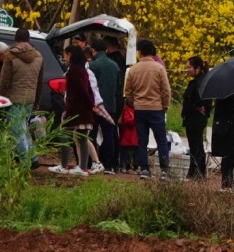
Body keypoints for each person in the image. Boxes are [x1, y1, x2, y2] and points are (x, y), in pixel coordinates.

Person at [125, 38, 173, 179]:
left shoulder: (134, 69)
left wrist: (134, 103)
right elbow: (166, 90)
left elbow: (128, 92)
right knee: (161, 140)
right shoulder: (159, 68)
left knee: (142, 140)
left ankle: (144, 169)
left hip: (139, 109)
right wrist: (165, 105)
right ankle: (164, 170)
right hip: (156, 108)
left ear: (140, 52)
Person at [52, 45, 102, 175]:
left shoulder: (73, 71)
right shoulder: (83, 70)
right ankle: (83, 167)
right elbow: (88, 90)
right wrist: (92, 104)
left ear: (70, 54)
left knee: (64, 134)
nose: (64, 58)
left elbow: (81, 90)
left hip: (76, 109)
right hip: (84, 109)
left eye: (65, 55)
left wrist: (90, 104)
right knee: (81, 138)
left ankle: (64, 165)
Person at [0, 27, 42, 154]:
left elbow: (4, 81)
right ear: (29, 39)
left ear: (15, 39)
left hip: (15, 99)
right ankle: (32, 158)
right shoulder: (38, 56)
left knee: (17, 131)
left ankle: (25, 160)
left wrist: (0, 100)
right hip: (30, 99)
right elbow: (39, 81)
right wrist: (36, 101)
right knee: (24, 128)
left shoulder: (10, 56)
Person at [90, 38, 123, 173]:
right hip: (110, 105)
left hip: (95, 106)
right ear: (106, 49)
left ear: (94, 50)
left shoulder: (92, 65)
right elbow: (118, 87)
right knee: (109, 134)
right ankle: (109, 165)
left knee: (91, 134)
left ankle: (91, 162)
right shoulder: (115, 66)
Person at [181, 56, 211, 180]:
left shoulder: (201, 82)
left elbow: (199, 100)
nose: (187, 70)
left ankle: (197, 172)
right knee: (194, 146)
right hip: (191, 117)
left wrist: (197, 107)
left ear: (197, 68)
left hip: (196, 118)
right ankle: (193, 171)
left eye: (189, 67)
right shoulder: (196, 81)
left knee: (196, 146)